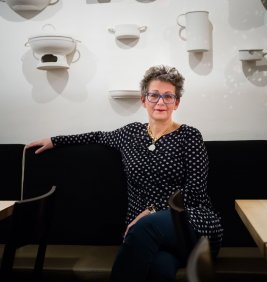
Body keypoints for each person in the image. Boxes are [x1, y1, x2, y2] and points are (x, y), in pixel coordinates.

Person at [26, 65, 223, 282]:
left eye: (168, 96)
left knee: (145, 228)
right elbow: (97, 136)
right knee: (160, 268)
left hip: (191, 222)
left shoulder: (190, 136)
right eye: (154, 95)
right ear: (143, 100)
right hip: (148, 234)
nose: (160, 102)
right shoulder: (130, 134)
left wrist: (151, 210)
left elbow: (195, 193)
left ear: (176, 102)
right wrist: (54, 141)